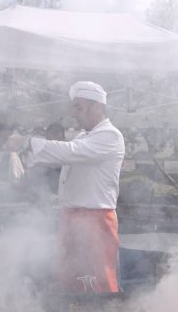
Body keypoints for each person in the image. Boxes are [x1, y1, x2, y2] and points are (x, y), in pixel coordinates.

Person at [8, 81, 125, 293]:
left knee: (96, 281)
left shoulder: (110, 135)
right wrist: (27, 153)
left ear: (97, 107)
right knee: (71, 279)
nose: (73, 113)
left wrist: (27, 142)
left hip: (96, 219)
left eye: (78, 107)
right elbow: (59, 156)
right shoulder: (84, 136)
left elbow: (69, 152)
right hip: (73, 217)